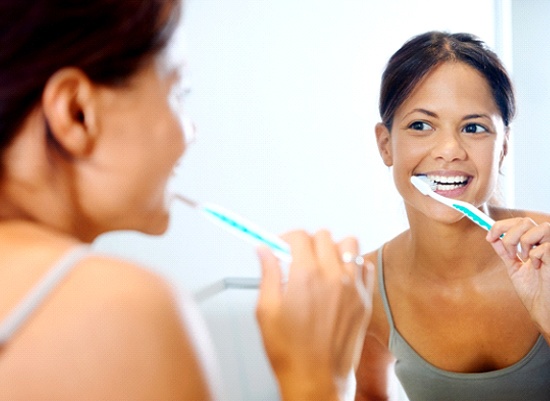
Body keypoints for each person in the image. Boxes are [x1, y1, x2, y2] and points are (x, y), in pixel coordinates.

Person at [0, 1, 374, 399]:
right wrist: (316, 376)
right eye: (179, 91)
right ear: (77, 113)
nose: (191, 132)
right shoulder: (121, 310)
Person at [354, 31, 550, 401]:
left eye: (474, 128)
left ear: (503, 146)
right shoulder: (364, 286)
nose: (449, 151)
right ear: (385, 144)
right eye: (421, 125)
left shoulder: (549, 248)